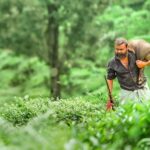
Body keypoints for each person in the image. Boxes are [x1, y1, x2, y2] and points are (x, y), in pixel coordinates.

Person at [106, 37, 150, 105]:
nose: (119, 51)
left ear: (127, 48)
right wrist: (110, 98)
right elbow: (110, 79)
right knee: (128, 114)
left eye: (121, 49)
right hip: (126, 93)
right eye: (117, 49)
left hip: (143, 89)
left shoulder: (136, 55)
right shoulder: (112, 63)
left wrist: (144, 64)